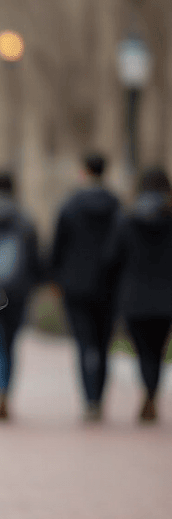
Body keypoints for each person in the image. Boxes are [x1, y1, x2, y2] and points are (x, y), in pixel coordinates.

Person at [50, 152, 119, 421]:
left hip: (75, 285)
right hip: (108, 285)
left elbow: (58, 245)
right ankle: (100, 397)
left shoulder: (70, 205)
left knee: (83, 344)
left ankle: (89, 400)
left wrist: (55, 278)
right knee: (103, 345)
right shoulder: (116, 205)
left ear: (84, 171)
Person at [105, 167, 172, 423]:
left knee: (143, 350)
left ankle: (148, 391)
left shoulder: (126, 219)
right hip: (166, 297)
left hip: (134, 297)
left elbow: (112, 258)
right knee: (159, 349)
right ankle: (152, 392)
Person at [0, 171, 41, 421]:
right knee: (11, 344)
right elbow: (35, 258)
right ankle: (7, 392)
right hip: (18, 291)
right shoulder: (25, 219)